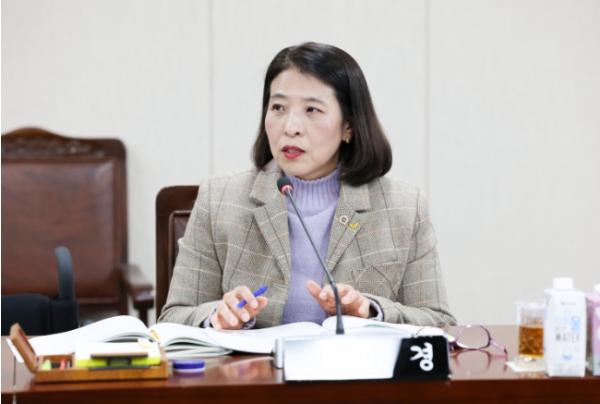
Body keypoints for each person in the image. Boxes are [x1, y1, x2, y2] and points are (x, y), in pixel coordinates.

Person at [159, 42, 456, 330]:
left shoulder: (403, 208)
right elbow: (174, 317)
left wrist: (371, 311)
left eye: (312, 110)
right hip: (256, 365)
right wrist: (217, 317)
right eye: (278, 107)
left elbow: (438, 321)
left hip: (356, 365)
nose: (291, 127)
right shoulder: (219, 200)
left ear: (348, 126)